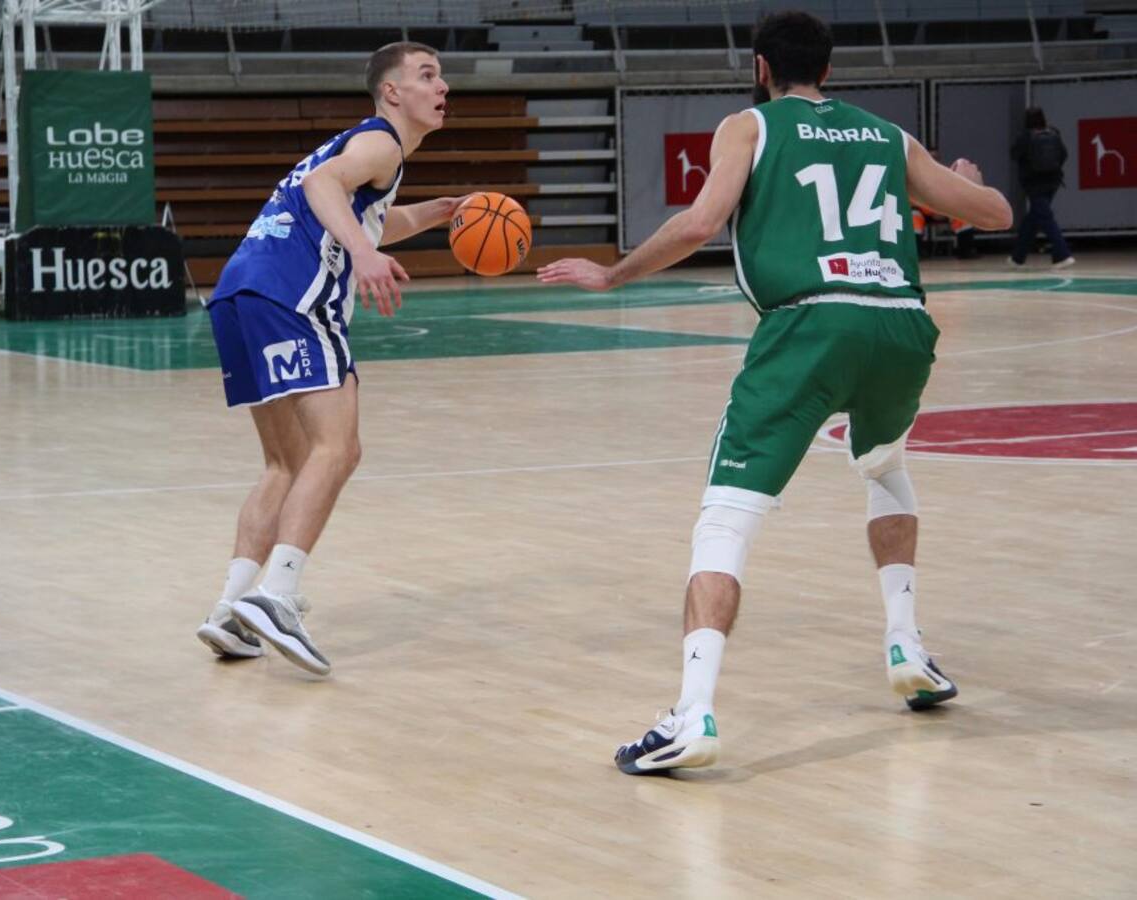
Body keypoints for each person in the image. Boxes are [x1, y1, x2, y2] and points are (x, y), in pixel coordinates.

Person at [538, 11, 1012, 774]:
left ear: (760, 67)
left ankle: (693, 712)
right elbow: (995, 214)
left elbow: (699, 224)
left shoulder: (748, 127)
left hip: (808, 324)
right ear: (829, 69)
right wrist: (972, 185)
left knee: (726, 518)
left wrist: (613, 274)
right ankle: (905, 645)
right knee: (886, 466)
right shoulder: (888, 136)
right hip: (900, 325)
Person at [195, 42, 460, 675]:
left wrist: (431, 215)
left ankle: (231, 609)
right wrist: (363, 257)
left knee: (286, 463)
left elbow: (358, 214)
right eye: (427, 75)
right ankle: (277, 595)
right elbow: (323, 187)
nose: (442, 86)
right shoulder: (381, 143)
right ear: (392, 92)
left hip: (240, 291)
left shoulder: (364, 153)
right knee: (339, 448)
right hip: (292, 295)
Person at [1009, 107, 1074, 268]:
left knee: (1045, 218)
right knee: (1034, 218)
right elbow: (1064, 154)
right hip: (1053, 181)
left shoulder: (1025, 137)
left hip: (1034, 183)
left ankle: (1063, 255)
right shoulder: (1054, 133)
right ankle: (1017, 258)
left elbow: (1014, 155)